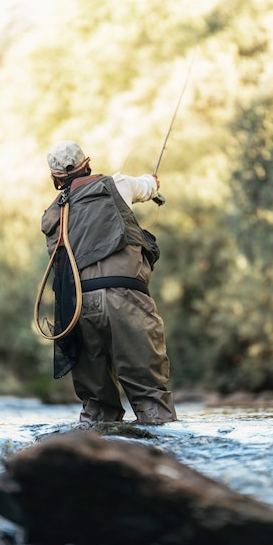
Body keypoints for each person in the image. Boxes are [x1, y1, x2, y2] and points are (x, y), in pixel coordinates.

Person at [41, 140, 177, 425]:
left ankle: (94, 460)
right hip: (126, 299)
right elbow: (148, 186)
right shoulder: (118, 184)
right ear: (87, 162)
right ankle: (160, 460)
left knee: (97, 411)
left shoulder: (52, 216)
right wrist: (152, 182)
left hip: (77, 309)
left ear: (54, 178)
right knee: (150, 399)